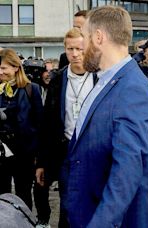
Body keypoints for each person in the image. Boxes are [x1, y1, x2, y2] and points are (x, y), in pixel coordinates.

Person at [62, 6, 148, 227]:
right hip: (88, 210)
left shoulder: (132, 89)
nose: (81, 47)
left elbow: (127, 170)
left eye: (84, 38)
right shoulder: (106, 80)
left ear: (98, 37)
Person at [34, 28, 96, 228]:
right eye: (70, 49)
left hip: (93, 149)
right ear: (65, 50)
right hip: (65, 150)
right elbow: (47, 124)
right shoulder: (58, 79)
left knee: (93, 200)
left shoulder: (100, 77)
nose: (75, 54)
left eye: (79, 48)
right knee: (67, 203)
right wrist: (42, 162)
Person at [0, 48, 43, 210]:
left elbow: (39, 124)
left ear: (16, 67)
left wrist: (38, 157)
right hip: (1, 153)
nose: (0, 72)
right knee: (1, 196)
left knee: (23, 195)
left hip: (24, 153)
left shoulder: (32, 89)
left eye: (4, 68)